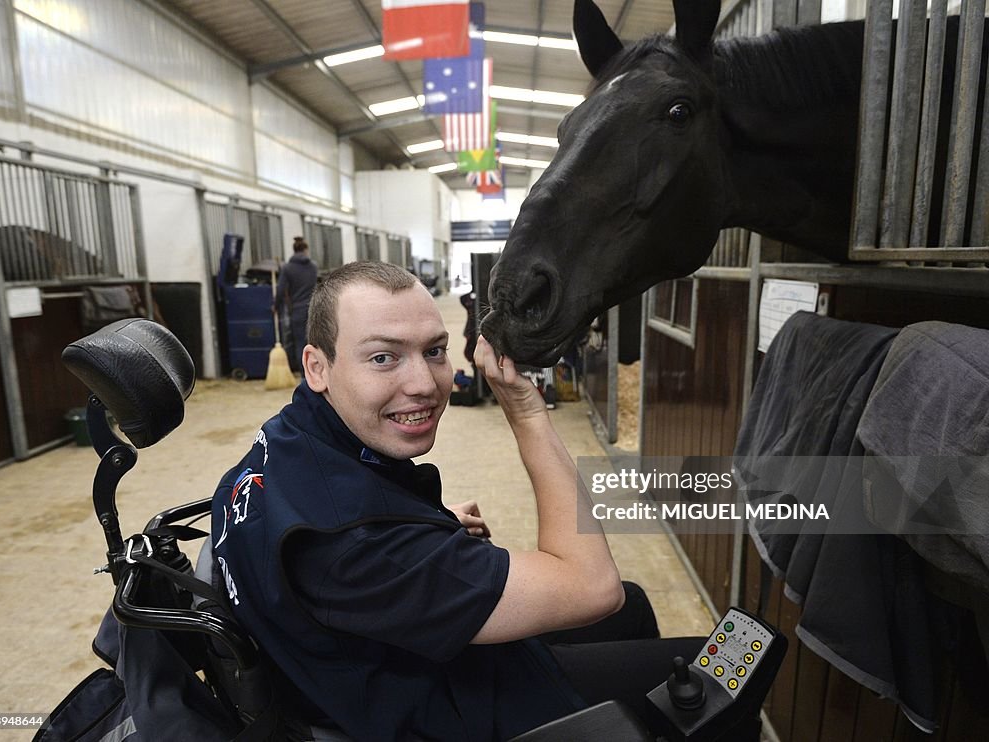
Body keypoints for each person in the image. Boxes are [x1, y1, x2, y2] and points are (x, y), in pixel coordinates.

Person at [211, 262, 703, 740]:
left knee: (635, 607)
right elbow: (594, 586)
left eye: (434, 350)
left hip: (380, 657)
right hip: (455, 704)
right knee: (714, 668)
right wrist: (528, 414)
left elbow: (347, 536)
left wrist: (428, 526)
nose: (424, 384)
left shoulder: (285, 441)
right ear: (317, 366)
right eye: (383, 357)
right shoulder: (360, 547)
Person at [274, 236, 318, 372]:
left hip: (297, 311)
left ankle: (305, 375)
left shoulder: (287, 268)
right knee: (315, 343)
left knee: (300, 344)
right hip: (314, 309)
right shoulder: (313, 267)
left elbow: (281, 289)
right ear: (305, 250)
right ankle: (318, 373)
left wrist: (275, 306)